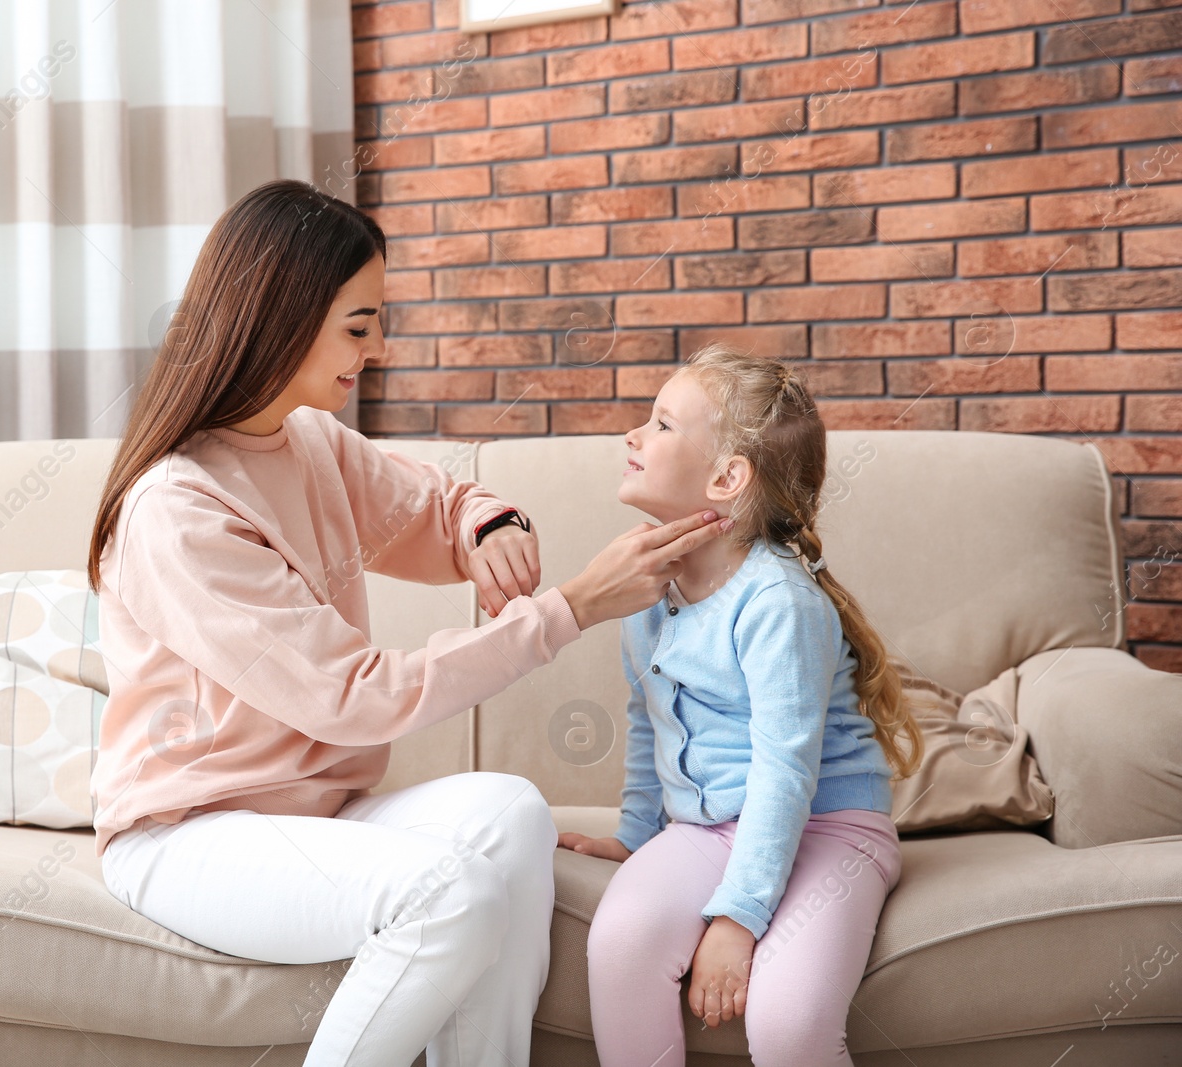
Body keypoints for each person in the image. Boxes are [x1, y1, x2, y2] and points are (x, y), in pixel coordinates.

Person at [83, 178, 731, 1067]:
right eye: (358, 325)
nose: (378, 348)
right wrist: (572, 605)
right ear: (281, 316)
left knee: (514, 814)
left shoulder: (306, 440)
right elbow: (352, 697)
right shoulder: (177, 511)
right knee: (447, 892)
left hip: (320, 813)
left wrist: (486, 523)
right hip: (189, 834)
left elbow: (432, 505)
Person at [559, 343, 927, 1066]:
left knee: (789, 1022)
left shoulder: (777, 602)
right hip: (709, 825)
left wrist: (736, 916)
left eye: (661, 425)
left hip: (829, 826)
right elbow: (649, 721)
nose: (633, 436)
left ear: (727, 477)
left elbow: (785, 773)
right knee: (620, 942)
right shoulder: (646, 585)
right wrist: (637, 833)